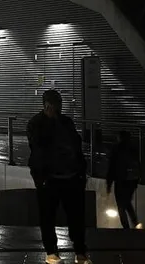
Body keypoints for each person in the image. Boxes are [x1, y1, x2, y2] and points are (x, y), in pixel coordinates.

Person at [27, 89, 89, 264]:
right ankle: (53, 252)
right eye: (54, 105)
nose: (57, 109)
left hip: (70, 176)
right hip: (50, 178)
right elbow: (38, 147)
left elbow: (76, 145)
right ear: (46, 105)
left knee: (75, 216)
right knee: (49, 216)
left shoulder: (65, 122)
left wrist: (81, 172)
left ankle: (79, 251)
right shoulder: (37, 123)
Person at [106, 130, 142, 230]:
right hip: (131, 181)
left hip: (120, 180)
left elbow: (111, 167)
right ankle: (135, 223)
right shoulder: (133, 149)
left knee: (121, 205)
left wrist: (109, 184)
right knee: (127, 202)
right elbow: (137, 166)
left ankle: (126, 227)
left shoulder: (116, 149)